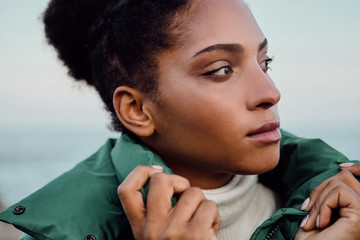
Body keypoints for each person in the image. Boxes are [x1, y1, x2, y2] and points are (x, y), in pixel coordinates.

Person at [0, 0, 359, 239]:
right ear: (137, 110)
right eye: (221, 70)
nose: (270, 92)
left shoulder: (345, 203)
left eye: (265, 63)